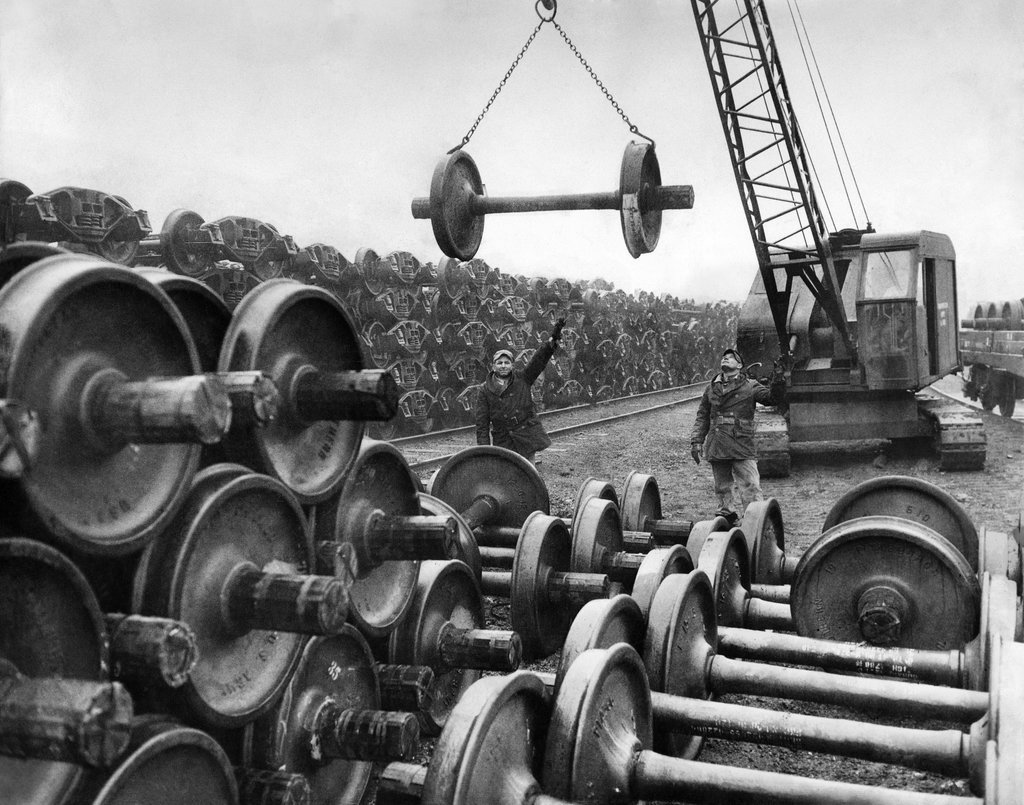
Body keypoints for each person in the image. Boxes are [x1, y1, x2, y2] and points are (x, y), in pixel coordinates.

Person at [690, 347, 774, 522]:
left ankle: (754, 519)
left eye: (730, 358)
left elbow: (770, 398)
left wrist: (780, 382)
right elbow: (702, 416)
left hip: (741, 442)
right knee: (722, 486)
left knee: (750, 485)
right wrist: (696, 441)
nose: (725, 359)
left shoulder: (750, 386)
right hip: (717, 442)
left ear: (739, 365)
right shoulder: (711, 388)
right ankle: (727, 517)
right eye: (724, 358)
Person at [476, 317, 565, 464]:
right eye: (499, 363)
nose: (503, 366)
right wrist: (484, 451)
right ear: (493, 366)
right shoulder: (484, 390)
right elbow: (482, 423)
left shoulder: (523, 378)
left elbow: (538, 360)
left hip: (525, 435)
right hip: (503, 439)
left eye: (506, 363)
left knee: (528, 475)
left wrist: (552, 341)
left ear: (512, 365)